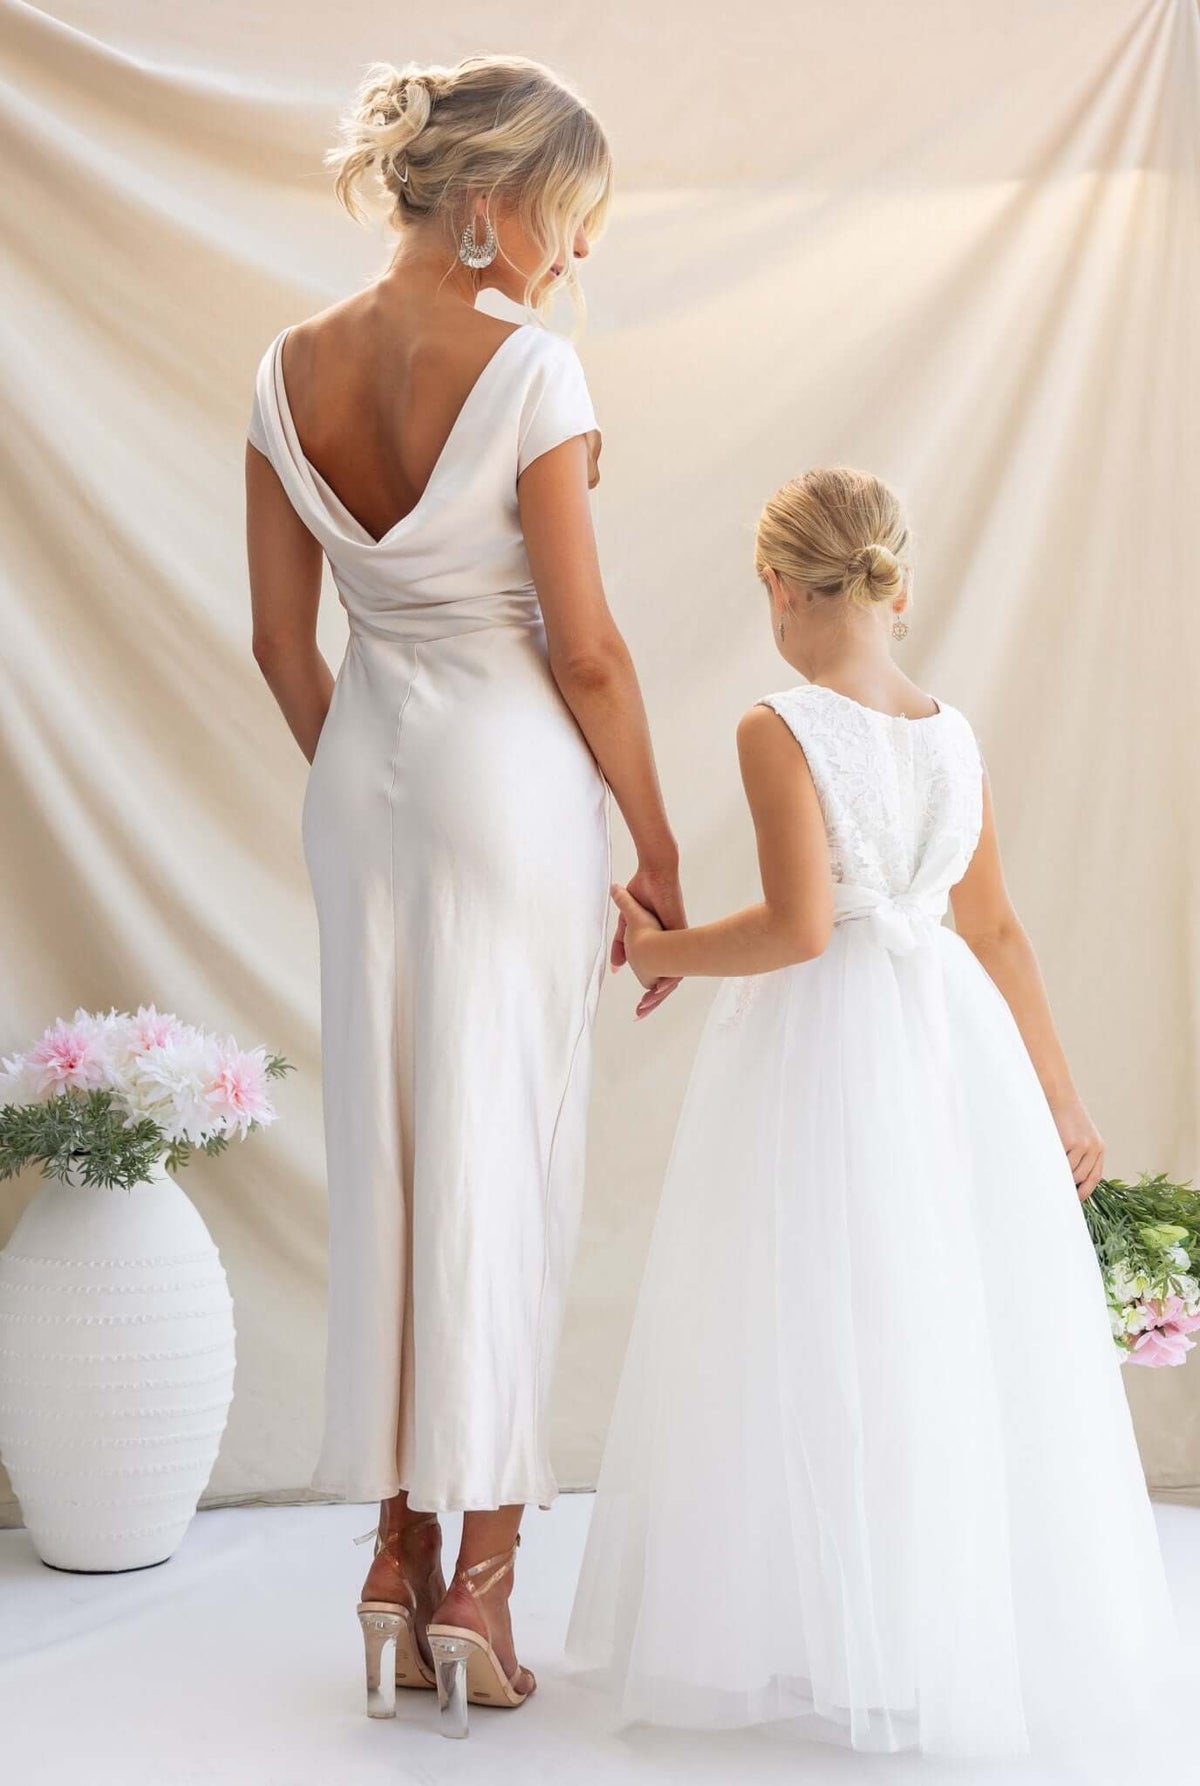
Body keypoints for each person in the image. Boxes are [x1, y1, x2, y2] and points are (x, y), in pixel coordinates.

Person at [566, 466, 1172, 1758]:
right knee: (935, 1320)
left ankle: (813, 1627)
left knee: (805, 1317)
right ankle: (921, 1625)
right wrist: (1060, 1094)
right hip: (953, 1037)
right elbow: (996, 925)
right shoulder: (953, 728)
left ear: (782, 587)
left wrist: (663, 952)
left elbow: (795, 926)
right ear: (889, 583)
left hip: (829, 1049)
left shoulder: (778, 722)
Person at [244, 55, 682, 1737]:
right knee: (502, 1154)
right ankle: (480, 1587)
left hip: (363, 785)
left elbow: (286, 643)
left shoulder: (289, 368)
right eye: (569, 223)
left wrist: (365, 773)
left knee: (394, 1152)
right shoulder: (533, 365)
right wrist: (653, 842)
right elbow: (586, 648)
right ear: (495, 208)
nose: (573, 262)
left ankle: (387, 1561)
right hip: (512, 788)